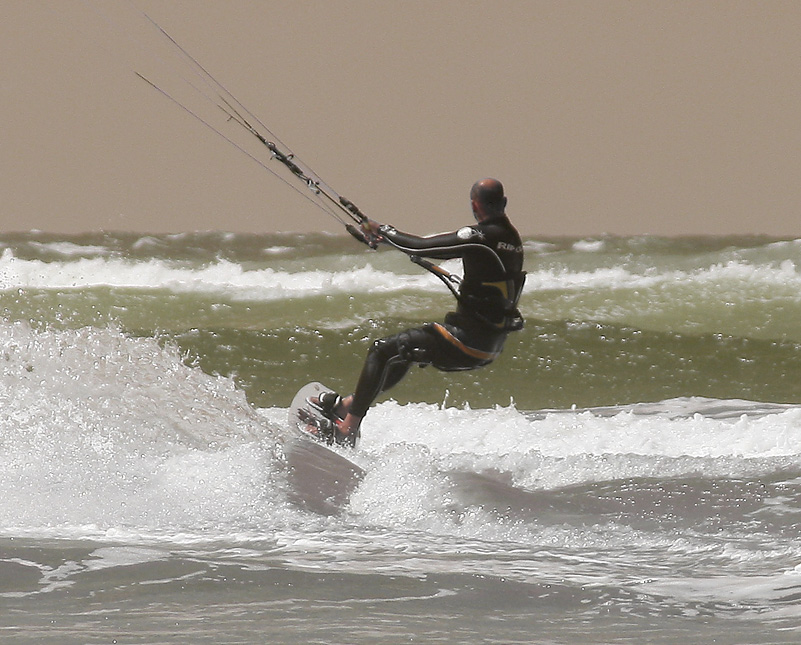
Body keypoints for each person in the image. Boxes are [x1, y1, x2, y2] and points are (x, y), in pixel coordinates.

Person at [313, 178, 525, 446]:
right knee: (402, 355)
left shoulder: (481, 237)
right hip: (488, 344)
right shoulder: (511, 239)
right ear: (504, 203)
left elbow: (422, 246)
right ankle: (347, 407)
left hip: (466, 341)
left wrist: (385, 231)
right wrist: (390, 239)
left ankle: (348, 428)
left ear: (474, 205)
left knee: (381, 349)